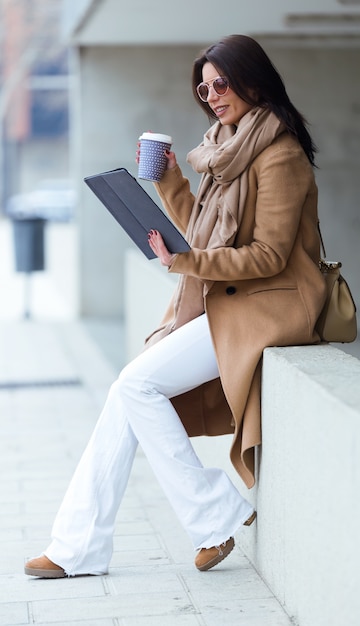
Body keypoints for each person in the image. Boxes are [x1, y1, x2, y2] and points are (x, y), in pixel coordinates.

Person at [24, 33, 326, 578]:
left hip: (269, 306)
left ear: (253, 81)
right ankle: (78, 547)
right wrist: (169, 182)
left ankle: (211, 516)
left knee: (135, 386)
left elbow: (268, 256)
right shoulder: (223, 148)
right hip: (231, 302)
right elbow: (204, 236)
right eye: (203, 88)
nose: (211, 95)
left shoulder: (279, 155)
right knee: (126, 393)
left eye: (221, 84)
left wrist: (184, 264)